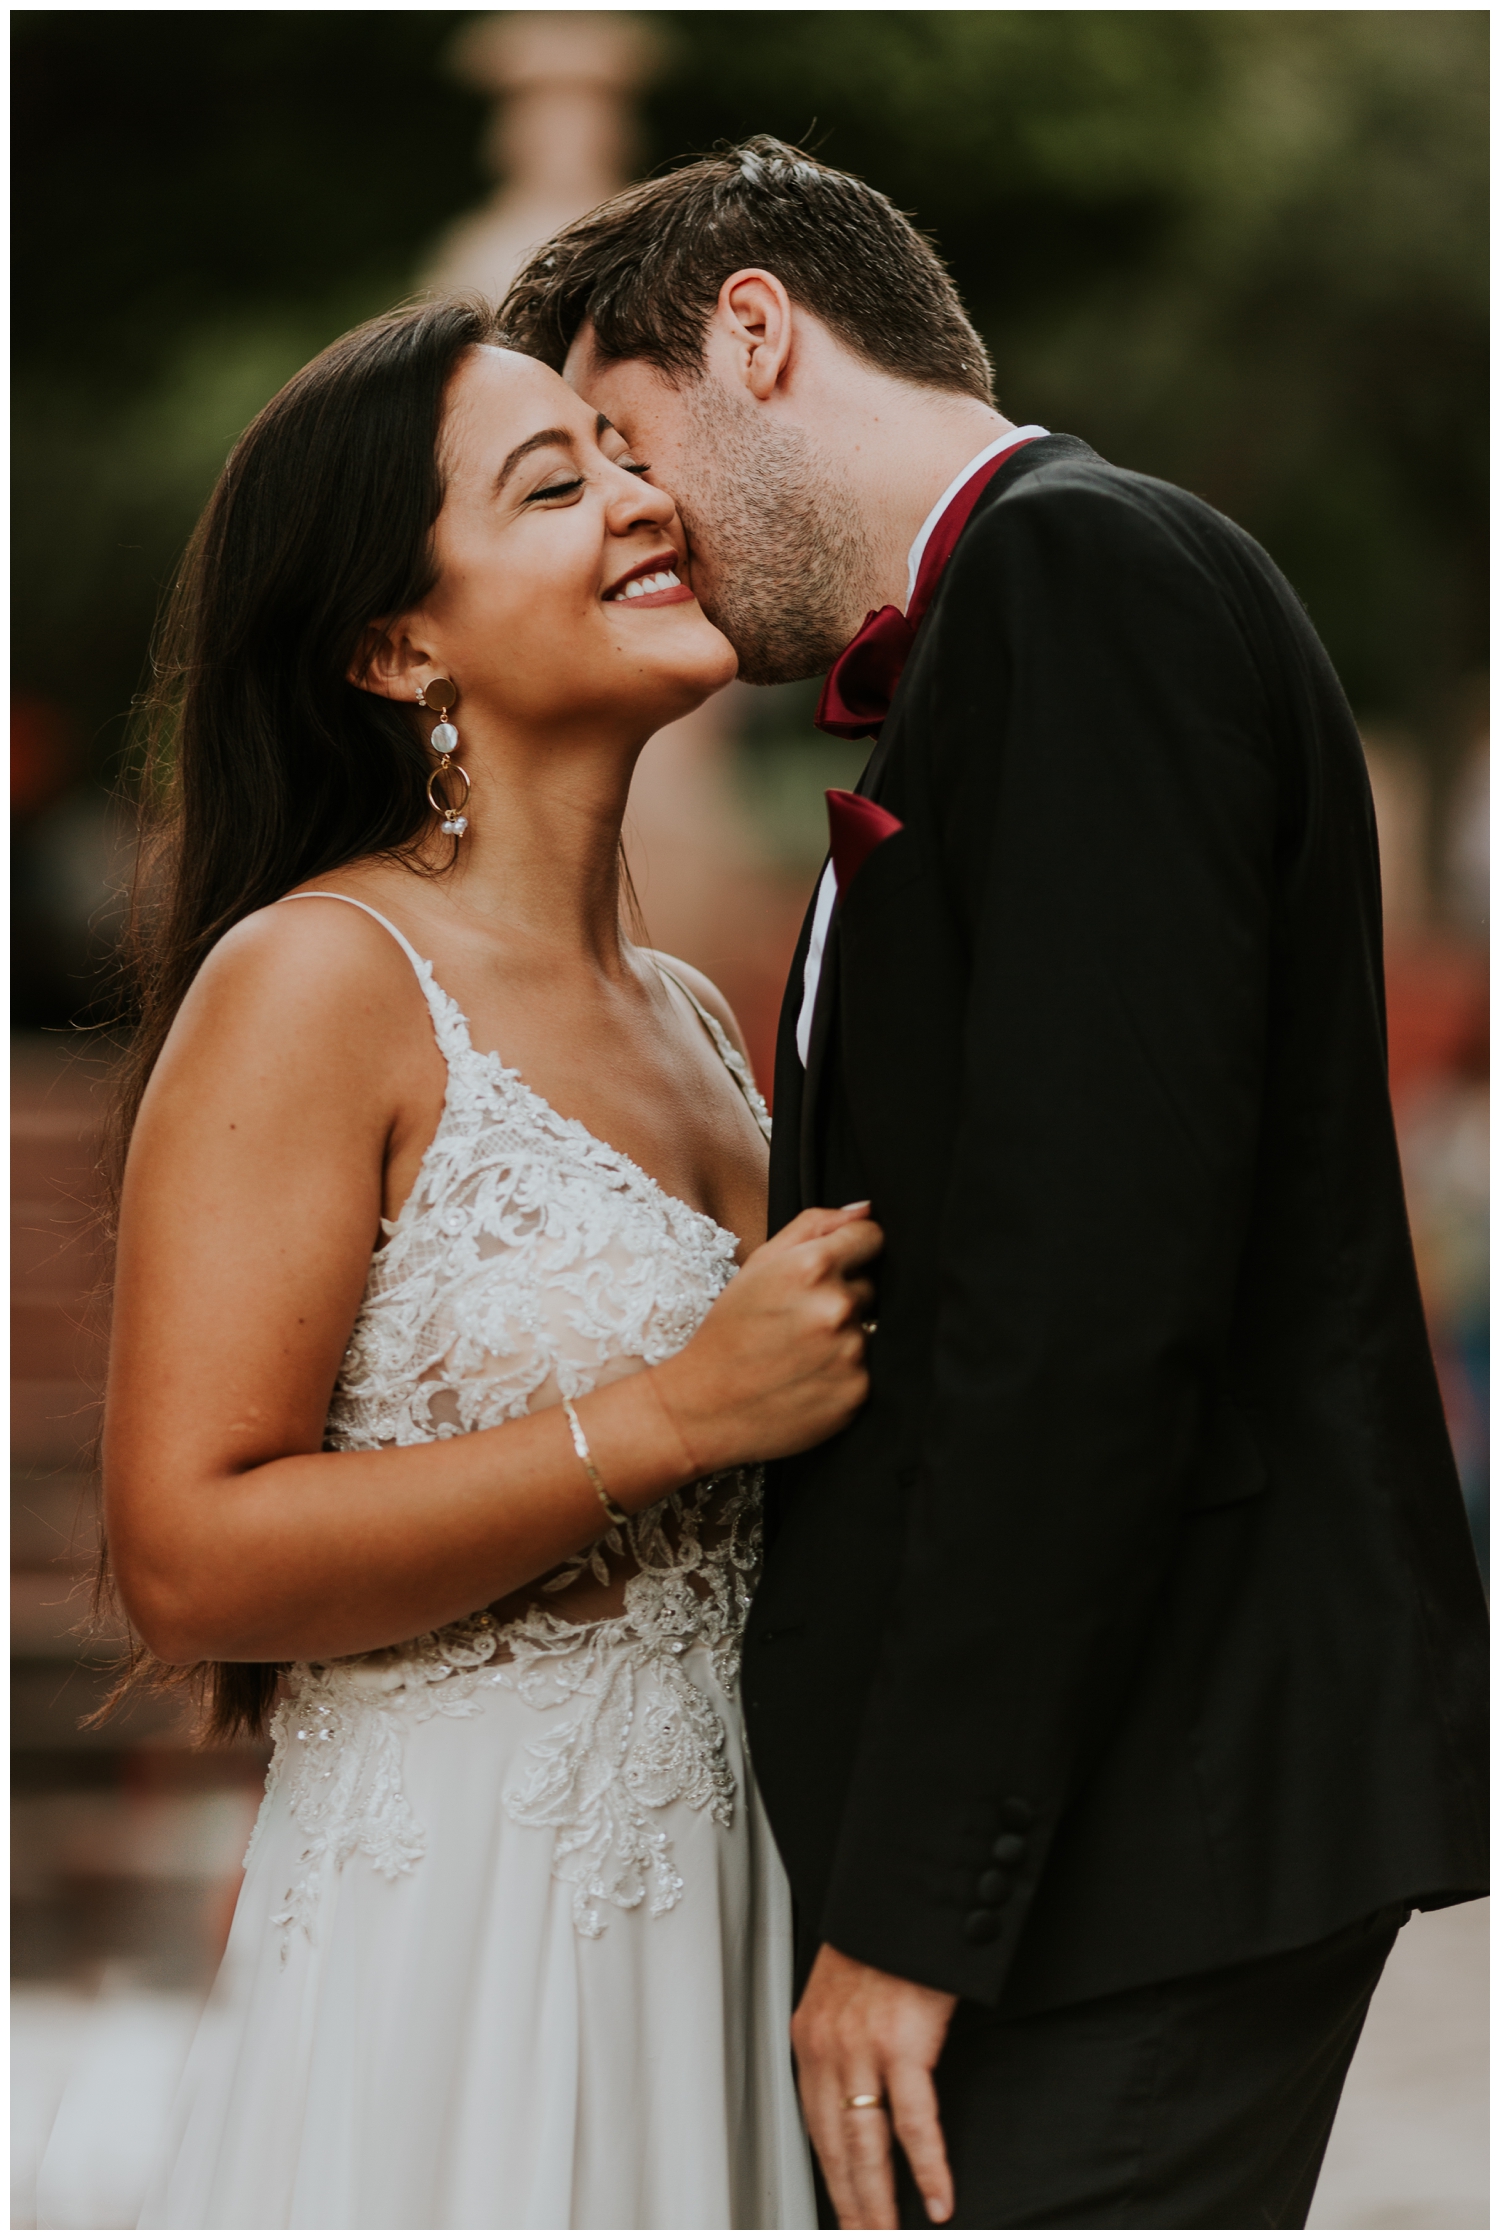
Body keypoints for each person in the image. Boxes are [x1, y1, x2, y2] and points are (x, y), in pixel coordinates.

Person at [501, 138, 1490, 2230]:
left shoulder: (1079, 580)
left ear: (756, 329)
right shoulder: (1018, 617)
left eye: (623, 433)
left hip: (1132, 1839)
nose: (636, 517)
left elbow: (1088, 1297)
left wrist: (921, 1909)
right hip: (1119, 1825)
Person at [102, 297, 885, 2228]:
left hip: (736, 1916)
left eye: (630, 457)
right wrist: (679, 1413)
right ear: (396, 644)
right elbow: (190, 1556)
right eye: (558, 481)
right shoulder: (315, 984)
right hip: (471, 1941)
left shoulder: (704, 1016)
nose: (642, 501)